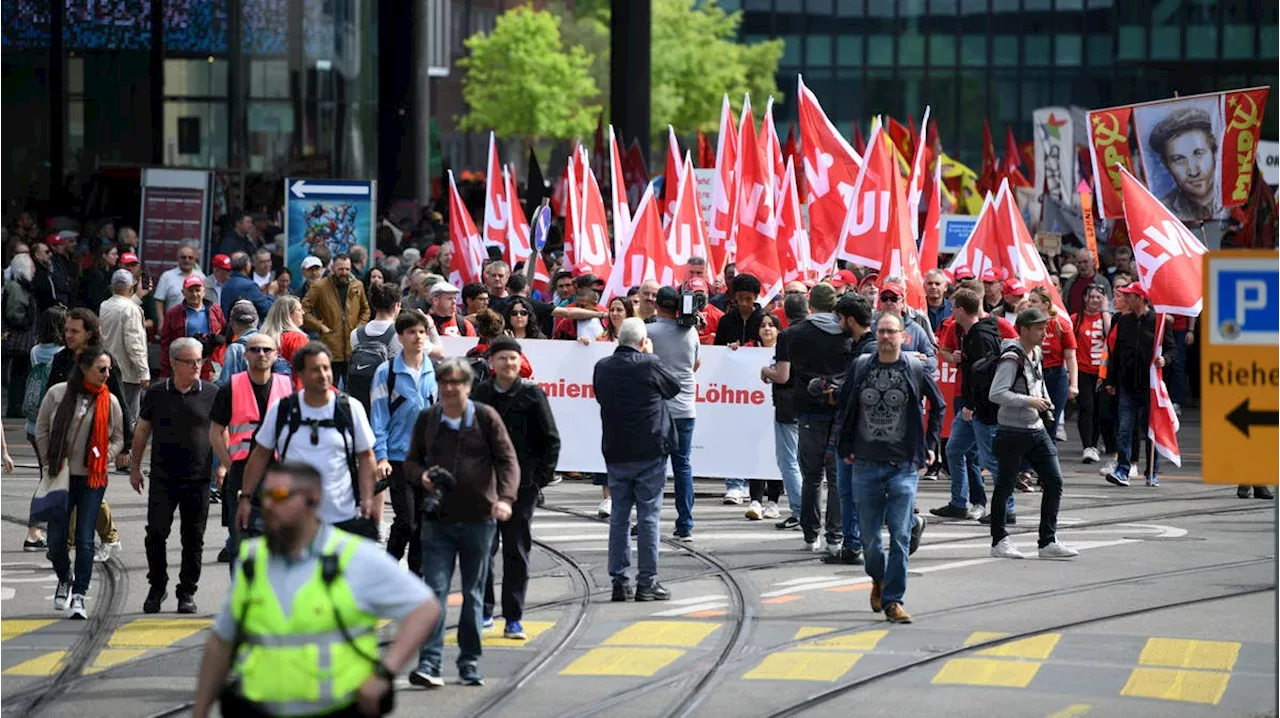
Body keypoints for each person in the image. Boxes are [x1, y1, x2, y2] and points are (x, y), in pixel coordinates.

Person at [192, 461, 441, 718]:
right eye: (265, 495)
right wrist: (199, 712)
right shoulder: (254, 560)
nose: (267, 505)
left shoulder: (353, 556)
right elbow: (220, 644)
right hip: (262, 709)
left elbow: (426, 608)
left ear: (313, 499)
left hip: (336, 710)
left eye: (279, 496)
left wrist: (385, 673)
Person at [405, 357, 518, 688]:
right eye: (444, 383)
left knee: (472, 592)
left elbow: (508, 460)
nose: (451, 388)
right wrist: (422, 476)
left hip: (479, 519)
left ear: (469, 386)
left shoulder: (485, 417)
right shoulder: (428, 419)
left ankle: (469, 662)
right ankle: (430, 663)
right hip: (437, 520)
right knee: (434, 591)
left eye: (457, 382)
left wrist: (505, 500)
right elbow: (410, 462)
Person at [836, 313, 945, 624]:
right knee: (869, 538)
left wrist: (930, 446)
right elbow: (845, 408)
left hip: (902, 466)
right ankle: (878, 578)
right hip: (865, 464)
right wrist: (843, 448)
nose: (885, 337)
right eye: (881, 331)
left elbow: (938, 405)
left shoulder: (915, 368)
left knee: (898, 534)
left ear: (902, 336)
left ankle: (893, 600)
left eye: (891, 332)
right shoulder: (861, 366)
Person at [237, 342, 379, 540]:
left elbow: (366, 456)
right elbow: (260, 455)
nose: (323, 375)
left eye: (326, 368)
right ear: (301, 375)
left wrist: (367, 499)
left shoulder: (350, 408)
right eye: (315, 370)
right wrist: (245, 497)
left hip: (341, 517)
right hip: (294, 519)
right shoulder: (282, 409)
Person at [473, 337, 560, 639]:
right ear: (491, 362)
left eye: (513, 359)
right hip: (485, 486)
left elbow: (551, 439)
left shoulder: (532, 394)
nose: (508, 364)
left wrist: (539, 481)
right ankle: (484, 610)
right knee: (483, 549)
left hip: (522, 487)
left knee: (516, 551)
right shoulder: (480, 393)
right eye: (502, 359)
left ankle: (513, 617)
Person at [130, 337, 219, 614]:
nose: (196, 366)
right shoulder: (157, 393)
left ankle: (187, 592)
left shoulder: (212, 393)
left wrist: (223, 465)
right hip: (163, 476)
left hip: (199, 478)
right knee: (156, 533)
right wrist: (134, 467)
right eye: (190, 361)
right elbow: (142, 431)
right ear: (174, 363)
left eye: (199, 360)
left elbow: (220, 431)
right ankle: (157, 586)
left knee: (194, 538)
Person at [593, 318, 680, 602]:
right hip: (650, 450)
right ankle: (647, 582)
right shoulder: (649, 363)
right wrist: (650, 355)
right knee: (648, 516)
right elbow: (673, 387)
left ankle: (620, 582)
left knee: (619, 516)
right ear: (643, 342)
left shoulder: (602, 367)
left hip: (616, 450)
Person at [36, 347, 125, 619]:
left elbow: (119, 437)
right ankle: (65, 578)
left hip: (92, 478)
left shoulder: (109, 400)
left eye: (109, 369)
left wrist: (105, 457)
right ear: (84, 368)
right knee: (55, 540)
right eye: (102, 369)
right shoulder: (57, 393)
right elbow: (41, 429)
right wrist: (47, 463)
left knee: (86, 539)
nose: (107, 374)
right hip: (59, 476)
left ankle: (79, 595)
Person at [765, 283, 854, 556]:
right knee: (836, 477)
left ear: (810, 304)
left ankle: (810, 534)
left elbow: (782, 374)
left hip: (807, 409)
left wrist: (765, 371)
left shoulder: (791, 334)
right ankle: (835, 536)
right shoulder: (848, 334)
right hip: (840, 410)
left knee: (811, 476)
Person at [988, 308, 1079, 560]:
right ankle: (999, 540)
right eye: (1039, 328)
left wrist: (1045, 401)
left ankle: (1047, 541)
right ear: (1024, 330)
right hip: (1011, 431)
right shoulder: (1011, 358)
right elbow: (996, 393)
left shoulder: (1036, 352)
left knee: (1054, 480)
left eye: (1044, 327)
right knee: (1005, 486)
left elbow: (1038, 383)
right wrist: (1030, 401)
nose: (1044, 332)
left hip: (1035, 429)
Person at [931, 288, 1018, 521]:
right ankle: (959, 503)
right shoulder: (975, 331)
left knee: (991, 459)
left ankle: (1007, 509)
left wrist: (972, 405)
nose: (951, 312)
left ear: (961, 309)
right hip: (973, 407)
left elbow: (983, 375)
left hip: (981, 408)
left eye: (953, 308)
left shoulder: (979, 336)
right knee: (954, 449)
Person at [209, 333, 294, 563]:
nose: (261, 354)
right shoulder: (230, 388)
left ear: (276, 355)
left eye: (267, 350)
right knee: (241, 548)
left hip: (278, 474)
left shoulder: (288, 387)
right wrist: (229, 465)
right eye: (255, 349)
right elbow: (215, 432)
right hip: (241, 473)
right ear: (245, 354)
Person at [370, 311, 437, 573]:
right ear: (400, 337)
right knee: (407, 520)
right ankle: (387, 570)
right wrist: (381, 456)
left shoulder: (436, 371)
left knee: (423, 521)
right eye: (411, 332)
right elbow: (378, 416)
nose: (418, 337)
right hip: (397, 458)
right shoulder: (386, 372)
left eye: (422, 331)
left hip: (428, 459)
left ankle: (415, 578)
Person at [1103, 284, 1173, 488]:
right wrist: (1111, 381)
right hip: (1127, 383)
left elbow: (1171, 349)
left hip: (1149, 385)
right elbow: (1115, 354)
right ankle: (1123, 470)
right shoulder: (1124, 321)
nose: (1125, 299)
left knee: (1150, 430)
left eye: (1129, 296)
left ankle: (1151, 472)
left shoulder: (1159, 322)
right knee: (1124, 428)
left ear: (1140, 298)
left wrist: (1165, 359)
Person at [646, 286, 700, 541]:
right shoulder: (691, 333)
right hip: (686, 408)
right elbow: (695, 364)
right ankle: (685, 524)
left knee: (653, 467)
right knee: (683, 466)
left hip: (657, 408)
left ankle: (647, 521)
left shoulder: (648, 331)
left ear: (657, 304)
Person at [21, 306, 65, 551]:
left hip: (32, 424)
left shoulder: (36, 351)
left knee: (47, 476)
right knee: (49, 479)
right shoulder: (61, 353)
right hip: (49, 425)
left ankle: (43, 530)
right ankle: (34, 532)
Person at [301, 254, 370, 383]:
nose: (344, 272)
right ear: (332, 268)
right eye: (341, 269)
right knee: (329, 386)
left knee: (352, 390)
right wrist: (319, 326)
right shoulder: (320, 286)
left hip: (352, 346)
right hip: (330, 346)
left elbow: (365, 310)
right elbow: (303, 310)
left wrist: (359, 327)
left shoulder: (357, 285)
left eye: (347, 269)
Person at [1148, 106, 1226, 220]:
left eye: (1199, 153)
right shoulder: (1160, 211)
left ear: (1215, 153)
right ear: (1166, 164)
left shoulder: (1236, 201)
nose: (1193, 172)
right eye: (1179, 159)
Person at [745, 312, 786, 521]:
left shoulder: (784, 351)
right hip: (753, 410)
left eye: (771, 325)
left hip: (777, 409)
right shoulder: (748, 349)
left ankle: (773, 501)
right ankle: (755, 500)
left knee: (776, 454)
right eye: (763, 325)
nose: (767, 328)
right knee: (756, 453)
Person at [98, 269, 150, 423]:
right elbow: (134, 344)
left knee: (109, 417)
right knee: (128, 419)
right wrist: (144, 371)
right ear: (130, 287)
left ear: (112, 287)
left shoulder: (104, 306)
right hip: (127, 373)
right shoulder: (131, 310)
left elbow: (122, 308)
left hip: (108, 369)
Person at [1026, 286, 1077, 441]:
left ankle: (1048, 460)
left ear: (1046, 304)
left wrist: (1073, 384)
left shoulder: (1060, 325)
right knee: (1032, 420)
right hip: (1033, 375)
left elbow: (1070, 356)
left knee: (1051, 422)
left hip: (1055, 375)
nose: (1029, 304)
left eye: (1034, 301)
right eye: (1029, 300)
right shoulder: (1025, 324)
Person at [1072, 285, 1111, 464]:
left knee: (1100, 410)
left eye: (1098, 297)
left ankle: (1095, 444)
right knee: (1086, 408)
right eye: (1091, 296)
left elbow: (1110, 336)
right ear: (1085, 298)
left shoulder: (1106, 317)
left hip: (1101, 371)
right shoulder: (1076, 318)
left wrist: (1105, 311)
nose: (1094, 300)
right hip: (1082, 369)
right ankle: (1087, 446)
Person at [160, 275, 225, 379]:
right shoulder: (173, 314)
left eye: (198, 290)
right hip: (185, 363)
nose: (194, 294)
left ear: (204, 292)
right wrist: (164, 372)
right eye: (190, 291)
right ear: (183, 292)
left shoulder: (215, 310)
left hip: (211, 364)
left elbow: (224, 334)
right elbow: (165, 345)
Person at [3, 253, 39, 417]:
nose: (34, 269)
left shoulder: (21, 287)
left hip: (22, 337)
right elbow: (13, 313)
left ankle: (16, 407)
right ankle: (15, 408)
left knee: (20, 373)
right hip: (20, 337)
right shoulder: (17, 288)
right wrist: (25, 322)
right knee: (19, 374)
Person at [153, 243, 205, 333]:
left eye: (190, 257)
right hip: (172, 324)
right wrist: (161, 321)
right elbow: (159, 301)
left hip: (196, 325)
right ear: (178, 259)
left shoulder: (201, 277)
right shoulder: (167, 276)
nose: (187, 260)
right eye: (183, 257)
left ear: (195, 259)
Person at [220, 252, 276, 319]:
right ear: (246, 266)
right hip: (247, 327)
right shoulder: (250, 286)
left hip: (230, 327)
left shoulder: (226, 284)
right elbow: (267, 309)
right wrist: (271, 293)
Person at [260, 295, 310, 367]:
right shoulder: (296, 338)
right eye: (299, 310)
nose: (303, 313)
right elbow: (302, 369)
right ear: (288, 314)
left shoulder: (263, 337)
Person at [1062, 249, 1112, 316]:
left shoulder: (1103, 282)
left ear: (1093, 262)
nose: (1082, 265)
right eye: (1079, 262)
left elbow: (1109, 305)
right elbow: (1064, 303)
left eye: (1085, 262)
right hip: (1072, 322)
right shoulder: (1070, 282)